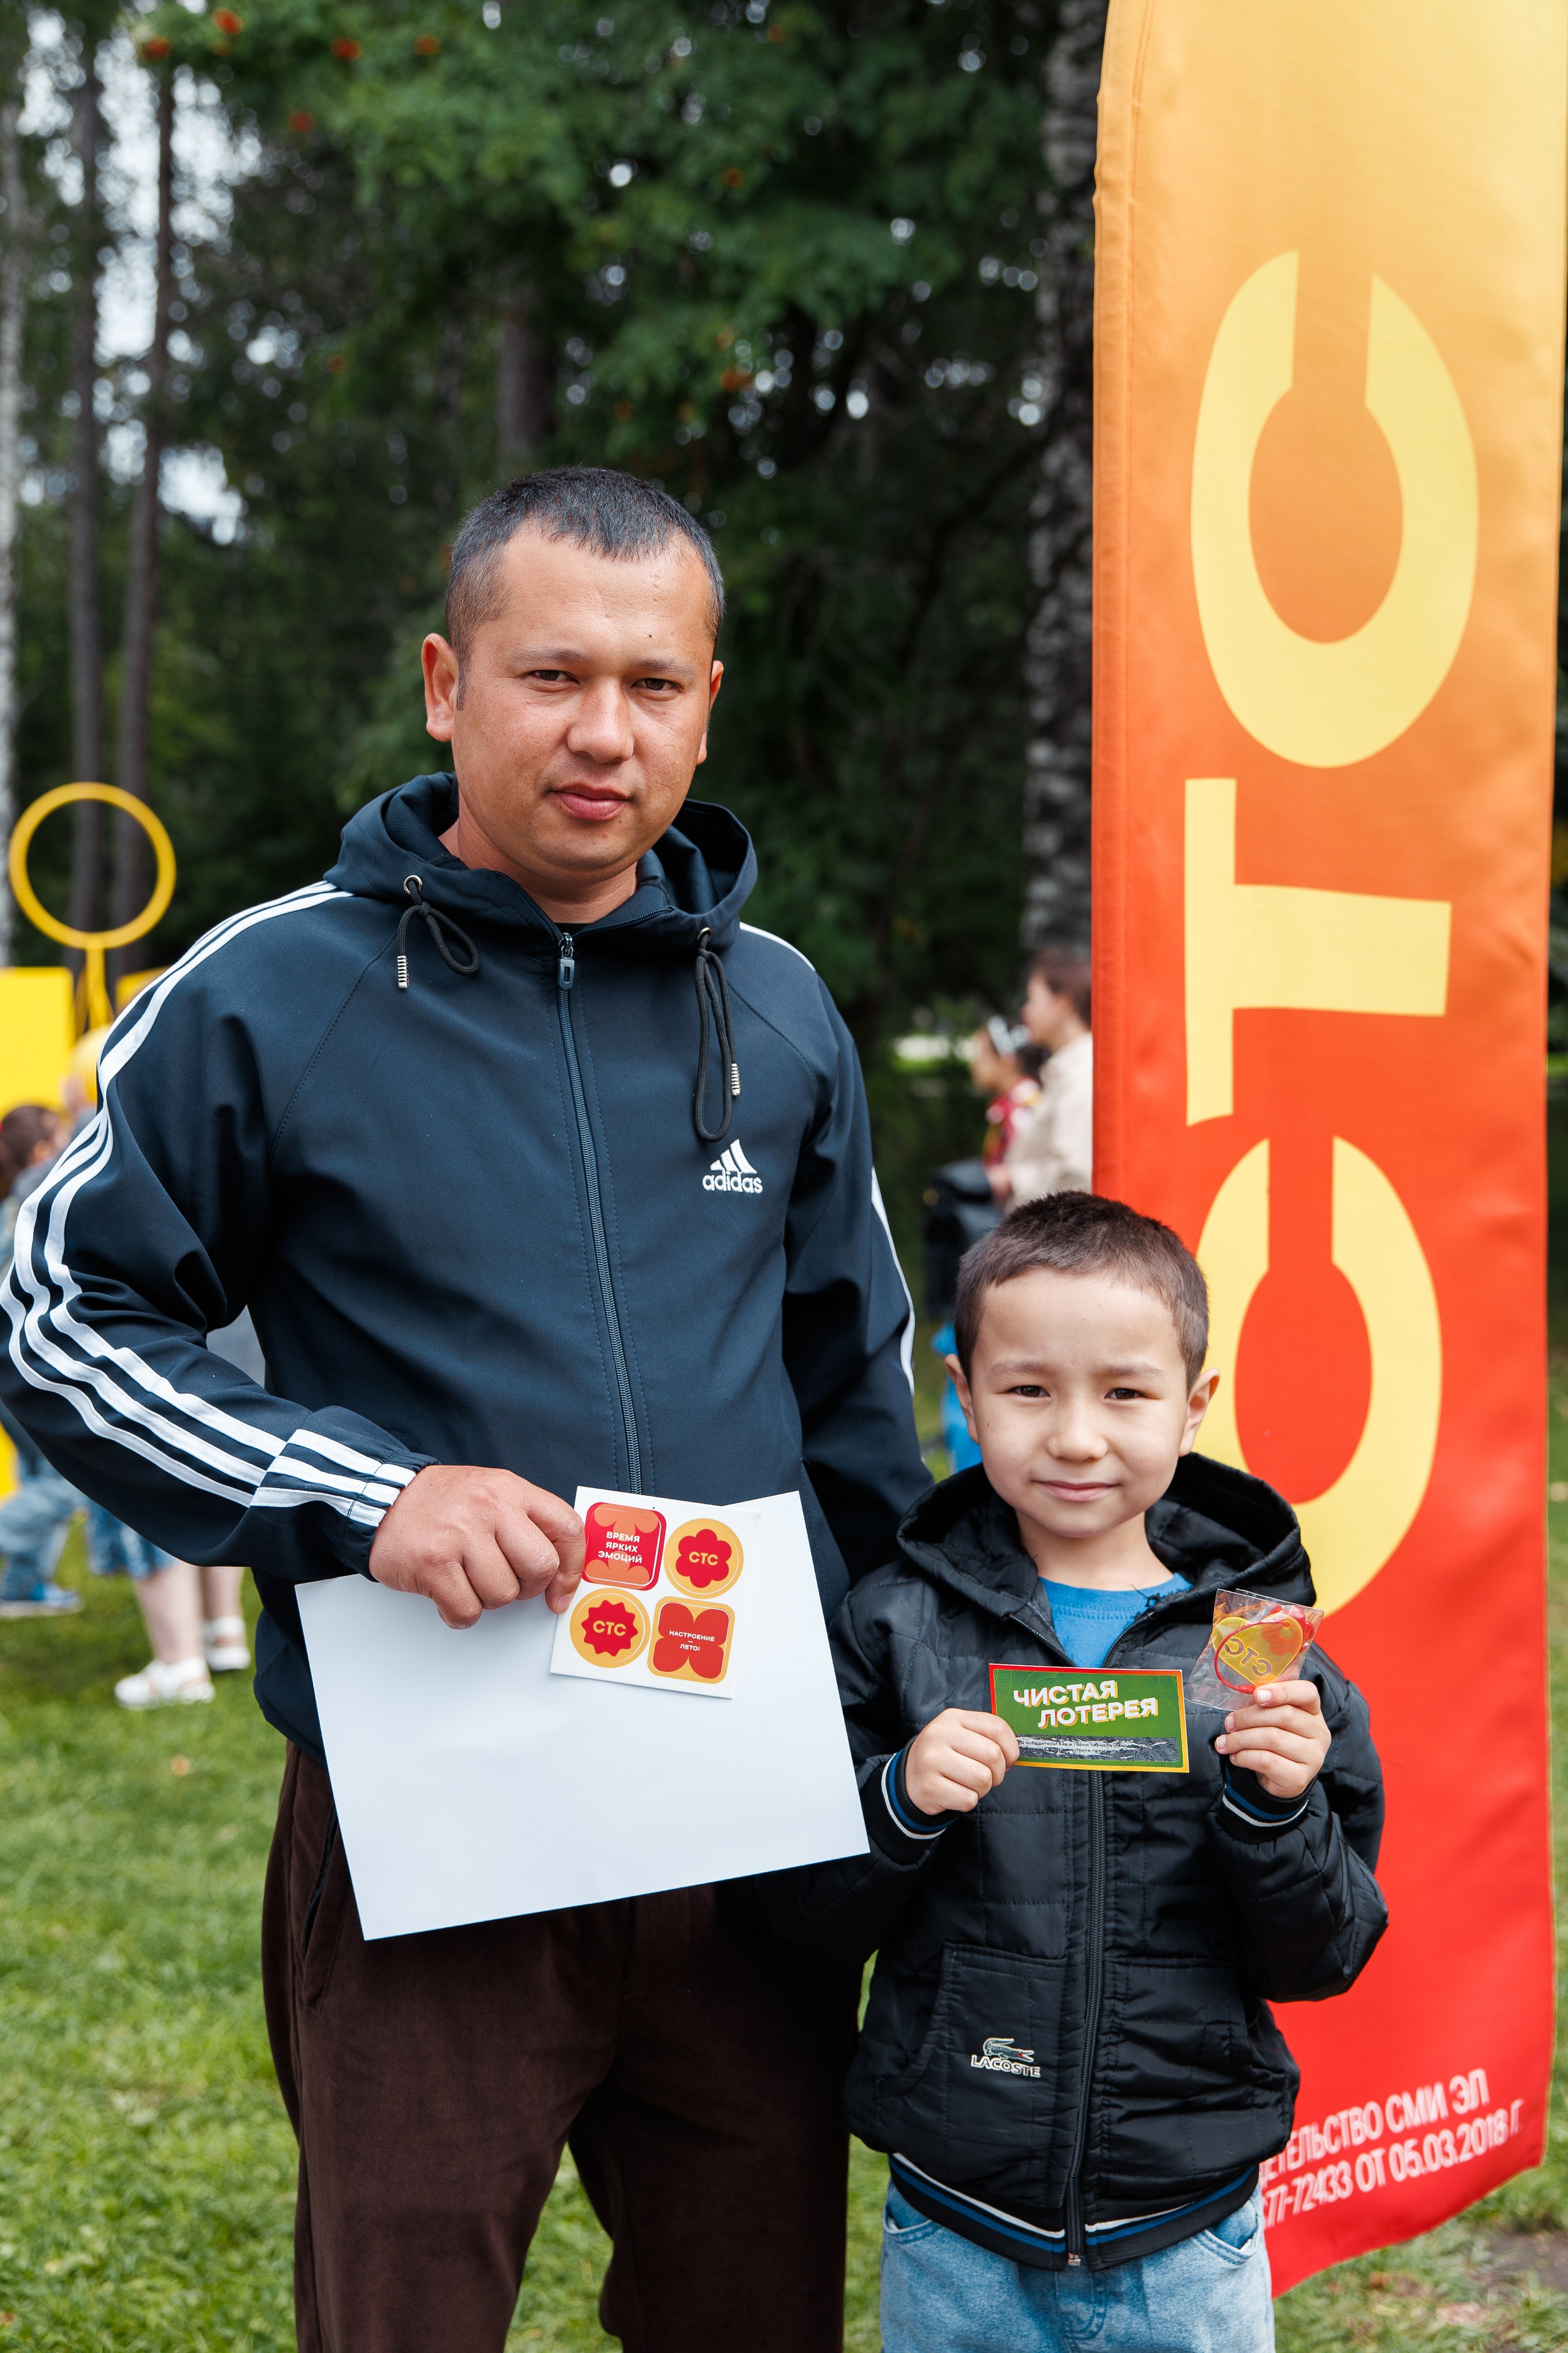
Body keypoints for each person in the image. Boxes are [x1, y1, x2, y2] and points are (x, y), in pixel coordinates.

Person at [0, 466, 929, 2353]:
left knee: (754, 2315)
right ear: (446, 683)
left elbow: (858, 1400)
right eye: (550, 674)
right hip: (431, 1831)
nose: (604, 731)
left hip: (743, 1825)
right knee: (404, 2314)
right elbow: (51, 1306)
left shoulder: (782, 1007)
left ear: (706, 704)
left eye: (654, 686)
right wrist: (358, 1490)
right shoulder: (270, 989)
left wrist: (909, 1697)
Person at [753, 1191, 1387, 2353]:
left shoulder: (1262, 1652)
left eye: (1126, 1393)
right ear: (965, 1398)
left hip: (1190, 2229)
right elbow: (802, 1911)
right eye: (1030, 1389)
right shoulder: (893, 1628)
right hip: (957, 2217)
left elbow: (1326, 1951)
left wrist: (1273, 1810)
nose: (1079, 1436)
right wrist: (898, 1800)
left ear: (1195, 1407)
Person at [995, 946, 1093, 1203]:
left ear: (1063, 1003)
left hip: (1055, 1236)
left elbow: (1076, 1175)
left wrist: (1013, 1181)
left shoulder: (1081, 1072)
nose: (1026, 1012)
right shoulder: (1070, 1069)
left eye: (1033, 1000)